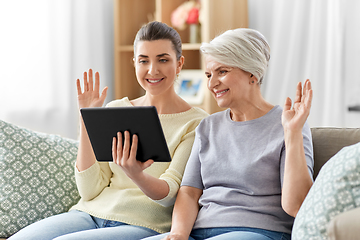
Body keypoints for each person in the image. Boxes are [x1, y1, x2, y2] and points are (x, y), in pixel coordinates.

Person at [8, 21, 209, 240]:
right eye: (144, 61)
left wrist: (136, 174)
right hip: (89, 213)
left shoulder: (196, 123)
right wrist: (87, 118)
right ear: (134, 63)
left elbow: (170, 194)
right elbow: (90, 190)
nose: (152, 70)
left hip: (146, 223)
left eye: (163, 59)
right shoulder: (116, 110)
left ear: (179, 64)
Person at [143, 28, 314, 240]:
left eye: (222, 72)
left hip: (257, 231)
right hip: (199, 232)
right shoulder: (207, 126)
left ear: (252, 73)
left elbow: (298, 205)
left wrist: (293, 133)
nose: (212, 83)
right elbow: (189, 192)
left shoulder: (289, 124)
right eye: (208, 74)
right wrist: (178, 233)